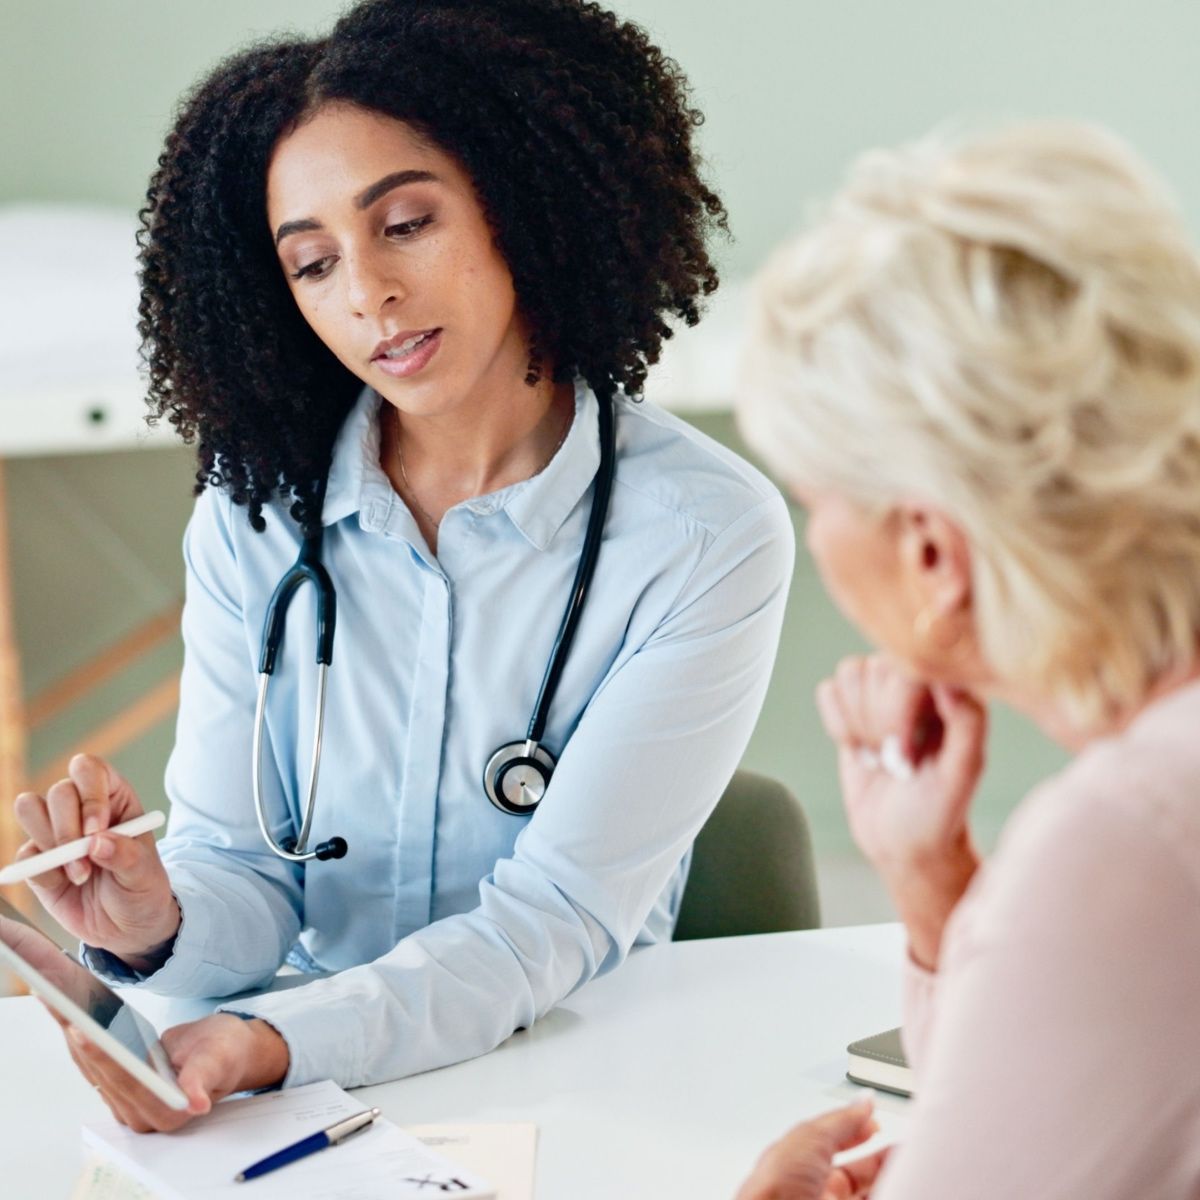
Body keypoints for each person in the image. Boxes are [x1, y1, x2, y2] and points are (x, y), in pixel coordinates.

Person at [10, 0, 793, 1131]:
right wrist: (152, 921)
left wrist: (275, 1042)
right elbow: (246, 868)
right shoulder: (255, 511)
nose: (366, 295)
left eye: (407, 224)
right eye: (313, 262)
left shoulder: (705, 535)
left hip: (576, 1073)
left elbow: (551, 923)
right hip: (309, 1096)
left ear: (519, 205)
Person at [733, 122, 1200, 1197]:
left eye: (819, 502)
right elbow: (1087, 1097)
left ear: (934, 551)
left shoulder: (1123, 842)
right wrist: (934, 880)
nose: (816, 538)